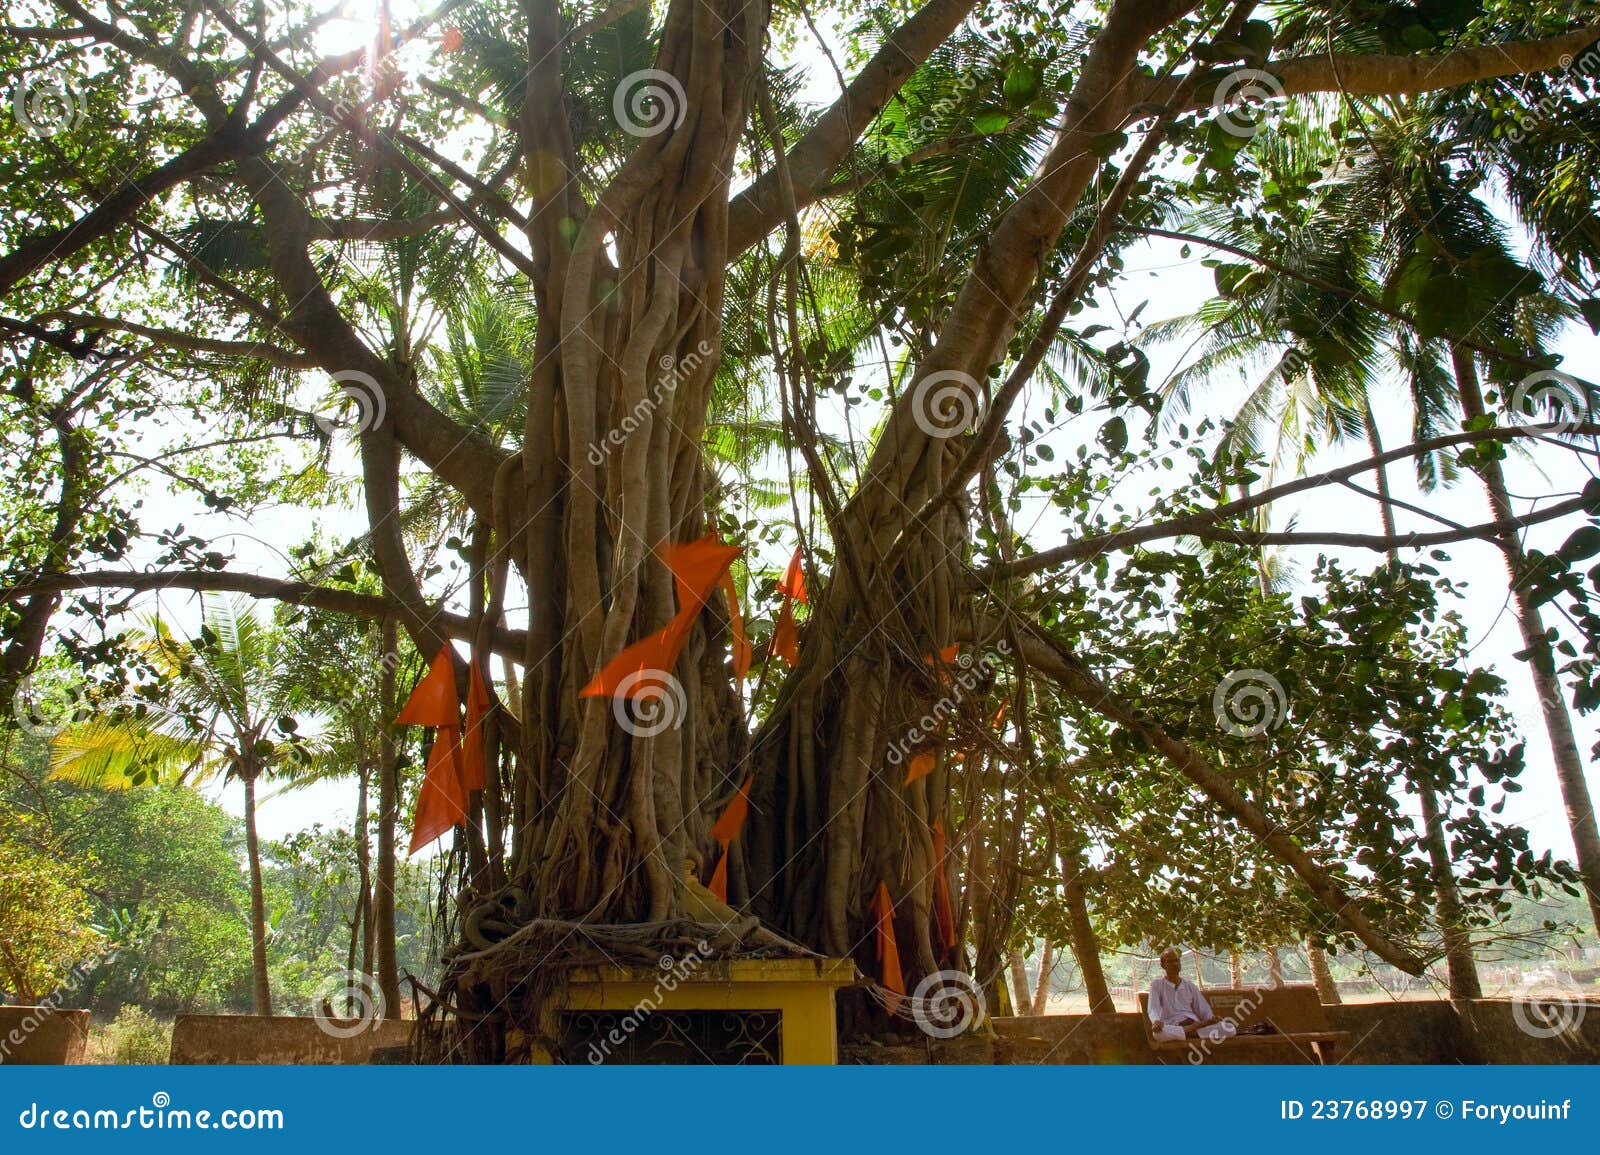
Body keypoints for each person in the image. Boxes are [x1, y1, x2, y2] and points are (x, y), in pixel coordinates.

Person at [1148, 947, 1236, 1043]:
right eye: (1170, 961)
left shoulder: (1189, 986)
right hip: (1173, 1025)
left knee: (1230, 1028)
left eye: (1177, 960)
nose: (1175, 964)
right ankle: (1190, 1031)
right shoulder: (1157, 985)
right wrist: (1156, 1021)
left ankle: (1187, 1032)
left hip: (1192, 1023)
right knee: (1158, 1034)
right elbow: (1153, 1007)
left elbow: (1203, 1009)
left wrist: (1211, 1019)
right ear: (1163, 965)